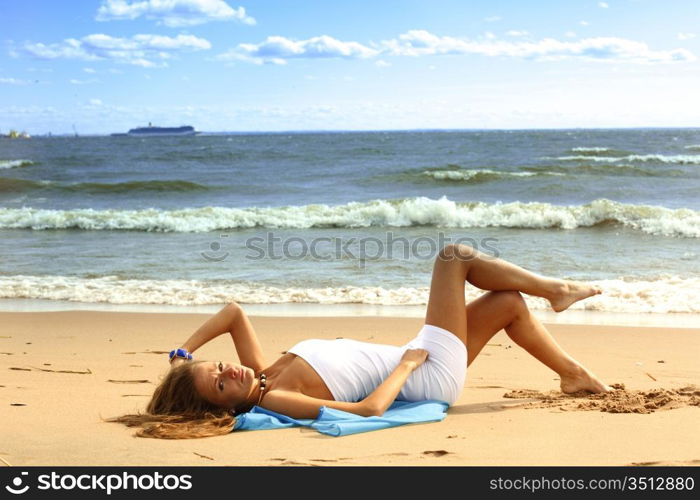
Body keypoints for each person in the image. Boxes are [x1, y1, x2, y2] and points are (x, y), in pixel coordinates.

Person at [109, 243, 610, 439]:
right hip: (424, 372)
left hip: (418, 356)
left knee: (506, 304)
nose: (230, 372)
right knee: (453, 257)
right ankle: (558, 291)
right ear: (225, 409)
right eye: (220, 386)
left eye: (219, 367)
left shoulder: (259, 374)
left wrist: (185, 352)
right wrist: (408, 367)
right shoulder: (277, 397)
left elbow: (234, 312)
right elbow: (369, 411)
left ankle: (573, 376)